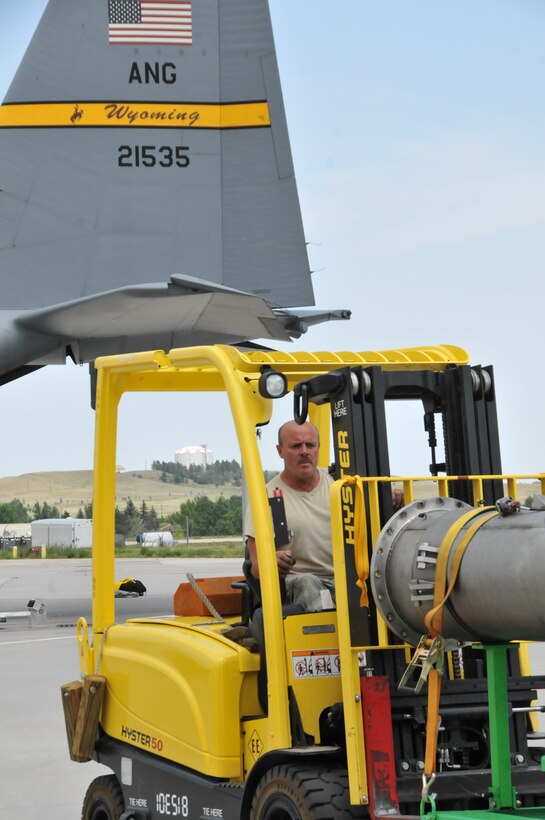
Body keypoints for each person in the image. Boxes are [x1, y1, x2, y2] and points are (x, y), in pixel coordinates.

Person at [244, 420, 335, 612]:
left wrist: (390, 495)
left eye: (310, 445)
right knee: (308, 583)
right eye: (296, 446)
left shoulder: (340, 484)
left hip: (345, 579)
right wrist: (271, 560)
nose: (304, 451)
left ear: (318, 448)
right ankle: (327, 639)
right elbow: (256, 566)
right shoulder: (267, 498)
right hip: (297, 582)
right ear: (280, 451)